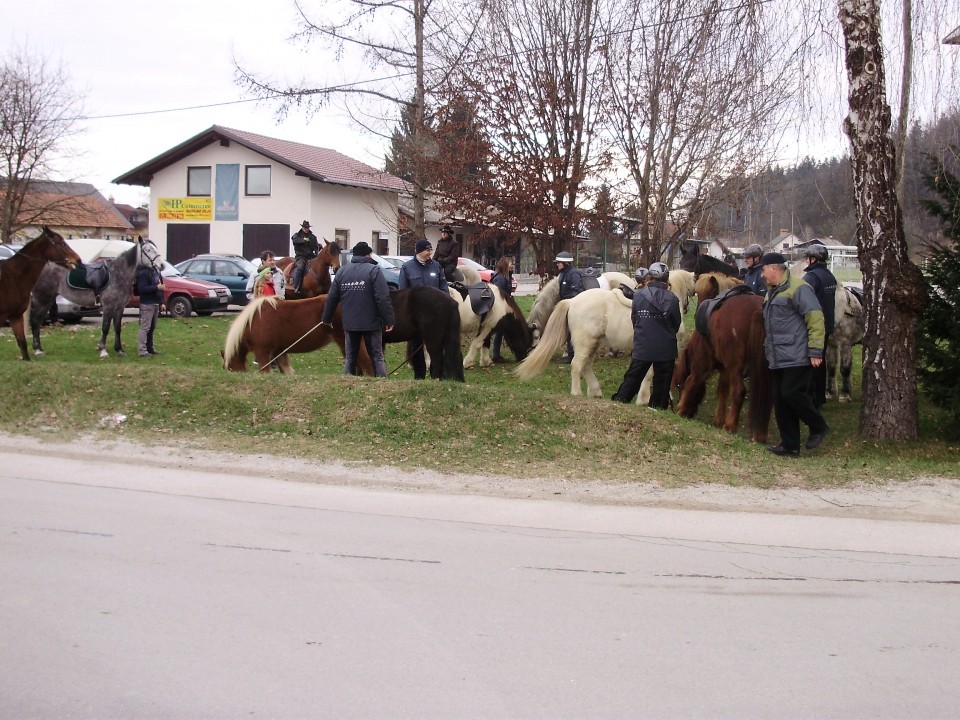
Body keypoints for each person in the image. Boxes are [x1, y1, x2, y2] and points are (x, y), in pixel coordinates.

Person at [759, 252, 830, 456]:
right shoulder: (771, 291)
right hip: (777, 354)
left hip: (797, 353)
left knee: (792, 392)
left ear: (773, 268)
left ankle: (818, 426)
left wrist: (816, 350)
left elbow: (815, 318)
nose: (762, 275)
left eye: (763, 270)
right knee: (780, 400)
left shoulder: (799, 288)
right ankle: (790, 445)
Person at [611, 263, 682, 408]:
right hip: (665, 348)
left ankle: (621, 401)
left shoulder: (638, 295)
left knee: (633, 377)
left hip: (643, 345)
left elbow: (635, 319)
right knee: (662, 381)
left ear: (650, 277)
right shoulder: (673, 299)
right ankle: (657, 406)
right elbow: (676, 323)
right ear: (666, 278)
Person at [321, 241, 395, 377]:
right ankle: (382, 383)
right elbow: (382, 298)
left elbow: (332, 298)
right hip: (371, 322)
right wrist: (389, 319)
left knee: (350, 356)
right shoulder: (374, 270)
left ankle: (348, 381)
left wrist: (326, 318)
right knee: (377, 355)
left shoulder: (342, 271)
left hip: (350, 322)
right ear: (367, 254)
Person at [398, 238, 448, 379]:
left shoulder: (436, 266)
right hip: (416, 316)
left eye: (430, 250)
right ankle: (419, 375)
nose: (430, 253)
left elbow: (444, 289)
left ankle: (436, 374)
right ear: (419, 251)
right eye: (427, 250)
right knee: (416, 346)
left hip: (435, 315)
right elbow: (403, 292)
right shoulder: (407, 267)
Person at [802, 244, 837, 408]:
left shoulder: (811, 277)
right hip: (827, 325)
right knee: (820, 362)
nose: (805, 262)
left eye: (807, 258)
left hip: (813, 327)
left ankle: (810, 398)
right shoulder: (829, 276)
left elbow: (801, 299)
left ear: (813, 259)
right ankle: (820, 396)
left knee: (810, 363)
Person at [554, 250, 585, 363]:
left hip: (572, 307)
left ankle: (572, 355)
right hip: (566, 307)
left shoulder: (573, 274)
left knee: (572, 331)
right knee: (568, 331)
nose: (557, 264)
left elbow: (577, 291)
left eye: (559, 262)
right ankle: (570, 353)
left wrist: (569, 304)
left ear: (565, 263)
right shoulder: (563, 274)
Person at [135, 259, 165, 358]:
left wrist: (162, 302)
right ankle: (142, 350)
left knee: (152, 328)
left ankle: (150, 348)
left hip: (156, 303)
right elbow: (142, 289)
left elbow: (161, 287)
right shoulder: (143, 273)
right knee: (145, 328)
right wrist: (156, 288)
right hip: (147, 304)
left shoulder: (156, 271)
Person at [489, 256, 515, 364]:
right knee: (500, 331)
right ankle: (496, 355)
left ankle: (497, 354)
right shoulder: (500, 278)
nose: (512, 265)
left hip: (505, 307)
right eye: (510, 263)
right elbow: (497, 294)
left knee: (503, 331)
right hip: (500, 308)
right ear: (505, 265)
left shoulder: (506, 276)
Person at [290, 220, 319, 292]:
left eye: (308, 227)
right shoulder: (297, 235)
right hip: (301, 256)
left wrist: (317, 249)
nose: (306, 229)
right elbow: (295, 240)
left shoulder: (312, 237)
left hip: (311, 256)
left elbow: (316, 246)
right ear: (302, 227)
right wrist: (304, 240)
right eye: (305, 227)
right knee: (300, 268)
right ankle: (296, 286)